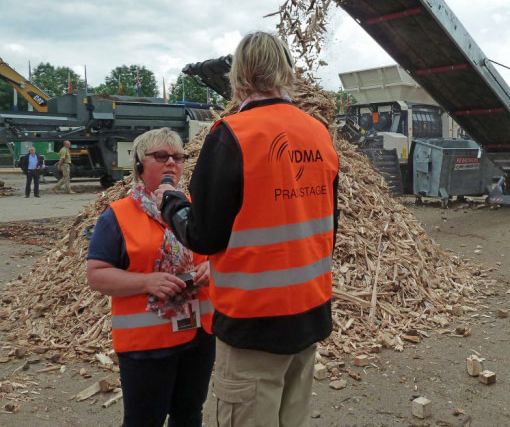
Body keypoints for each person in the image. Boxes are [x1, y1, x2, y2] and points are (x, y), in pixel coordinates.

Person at [157, 31, 340, 427]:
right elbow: (328, 227)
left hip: (253, 325)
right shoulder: (319, 134)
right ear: (285, 72)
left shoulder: (231, 134)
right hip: (309, 317)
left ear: (239, 76)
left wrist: (172, 203)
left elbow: (204, 235)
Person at [86, 128, 215, 427]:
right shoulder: (117, 216)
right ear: (139, 165)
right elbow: (97, 276)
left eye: (178, 157)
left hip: (198, 337)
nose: (171, 162)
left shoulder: (196, 208)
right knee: (145, 420)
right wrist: (147, 282)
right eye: (161, 156)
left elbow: (217, 253)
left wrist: (214, 267)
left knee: (189, 415)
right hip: (147, 347)